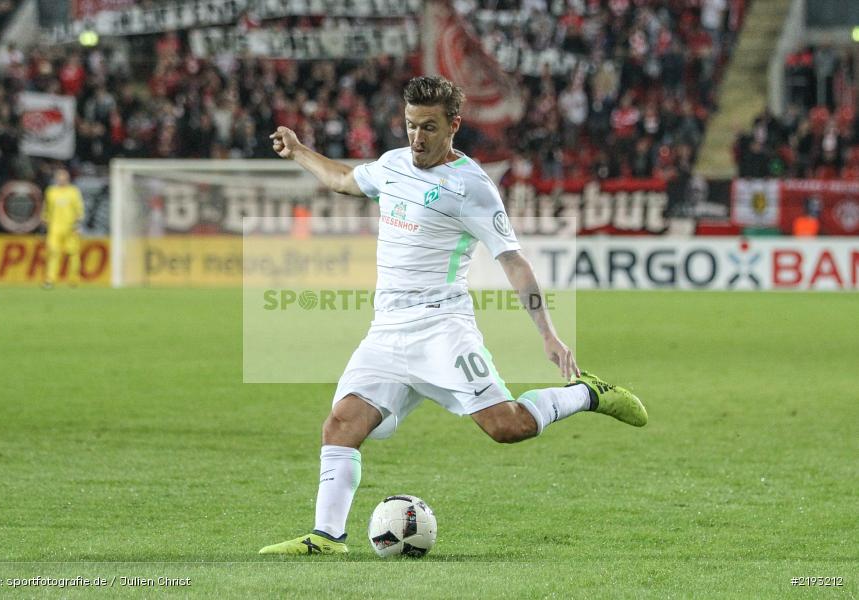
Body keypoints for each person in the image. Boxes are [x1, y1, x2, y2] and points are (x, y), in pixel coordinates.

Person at [259, 76, 648, 555]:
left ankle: (587, 394)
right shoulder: (392, 165)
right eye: (409, 126)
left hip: (443, 330)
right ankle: (327, 537)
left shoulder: (472, 187)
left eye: (428, 127)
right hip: (387, 332)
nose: (416, 138)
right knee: (341, 424)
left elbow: (514, 261)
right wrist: (298, 150)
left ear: (453, 126)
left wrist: (548, 333)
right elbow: (342, 180)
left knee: (507, 427)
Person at [42, 167, 84, 288]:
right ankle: (50, 280)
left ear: (68, 178)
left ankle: (73, 280)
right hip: (54, 228)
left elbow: (79, 209)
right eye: (59, 177)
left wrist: (78, 224)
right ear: (56, 178)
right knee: (53, 253)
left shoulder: (73, 191)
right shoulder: (51, 191)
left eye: (64, 177)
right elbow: (47, 208)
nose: (61, 179)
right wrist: (44, 218)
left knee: (73, 253)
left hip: (70, 227)